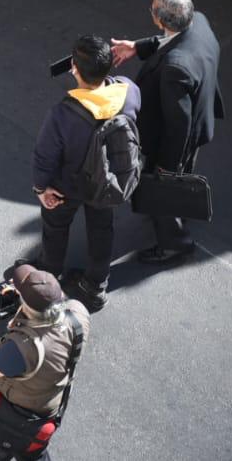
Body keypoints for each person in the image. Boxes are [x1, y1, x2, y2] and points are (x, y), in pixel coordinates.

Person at [111, 0, 224, 264]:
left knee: (159, 188)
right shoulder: (198, 21)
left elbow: (177, 125)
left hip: (176, 136)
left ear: (162, 20)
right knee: (181, 173)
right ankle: (179, 201)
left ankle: (175, 242)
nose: (150, 13)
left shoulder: (176, 69)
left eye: (152, 10)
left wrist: (166, 168)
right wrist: (137, 47)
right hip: (201, 119)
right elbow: (169, 41)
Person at [30, 36, 140, 313]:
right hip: (107, 182)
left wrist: (41, 188)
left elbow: (45, 156)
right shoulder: (129, 90)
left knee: (56, 227)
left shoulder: (62, 114)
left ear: (75, 69)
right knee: (101, 229)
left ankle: (49, 274)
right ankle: (96, 286)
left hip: (68, 185)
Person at [0, 265, 90, 461]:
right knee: (34, 450)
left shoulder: (22, 348)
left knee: (3, 445)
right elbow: (49, 308)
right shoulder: (79, 312)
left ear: (27, 306)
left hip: (18, 413)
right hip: (52, 404)